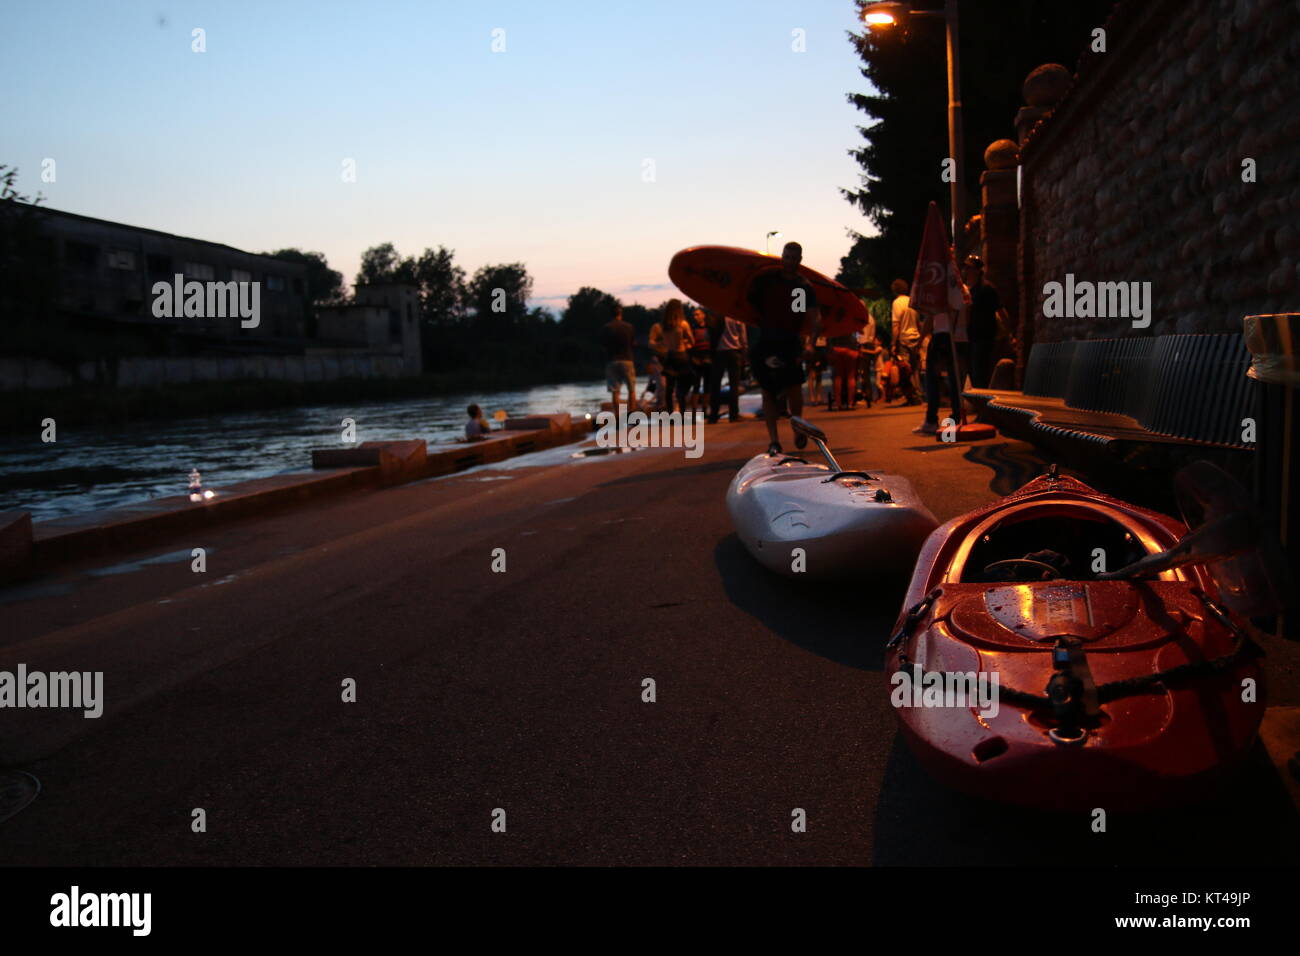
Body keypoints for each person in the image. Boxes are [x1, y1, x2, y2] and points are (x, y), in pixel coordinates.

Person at [746, 241, 821, 454]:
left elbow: (809, 317)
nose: (789, 261)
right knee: (768, 391)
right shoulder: (767, 280)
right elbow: (747, 305)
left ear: (800, 260)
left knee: (794, 389)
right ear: (781, 257)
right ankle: (774, 440)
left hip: (790, 342)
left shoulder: (802, 286)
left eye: (793, 258)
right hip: (766, 341)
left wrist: (810, 344)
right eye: (786, 257)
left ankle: (797, 428)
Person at [961, 255, 1008, 389]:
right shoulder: (966, 289)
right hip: (969, 336)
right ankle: (979, 403)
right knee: (971, 370)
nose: (966, 271)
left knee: (979, 371)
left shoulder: (986, 289)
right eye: (966, 268)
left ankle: (982, 404)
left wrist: (1008, 334)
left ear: (977, 270)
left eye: (969, 268)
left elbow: (1001, 311)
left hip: (983, 336)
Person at [650, 299, 693, 413]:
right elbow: (691, 341)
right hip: (681, 355)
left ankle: (670, 415)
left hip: (669, 356)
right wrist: (686, 343)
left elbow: (657, 341)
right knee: (682, 387)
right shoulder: (683, 324)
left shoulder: (663, 326)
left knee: (669, 388)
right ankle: (682, 414)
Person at [709, 314, 748, 423]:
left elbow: (709, 335)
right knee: (734, 385)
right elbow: (743, 336)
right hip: (734, 352)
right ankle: (733, 414)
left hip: (719, 352)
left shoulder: (716, 316)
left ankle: (713, 415)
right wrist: (745, 351)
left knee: (715, 385)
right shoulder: (737, 317)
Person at [890, 278, 923, 405]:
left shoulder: (897, 303)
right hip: (915, 337)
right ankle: (917, 395)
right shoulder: (912, 300)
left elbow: (896, 325)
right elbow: (918, 321)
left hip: (903, 339)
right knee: (915, 369)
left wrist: (893, 343)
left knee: (904, 369)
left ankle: (911, 397)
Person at [600, 303, 637, 411]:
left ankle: (617, 417)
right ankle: (633, 417)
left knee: (615, 391)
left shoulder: (605, 328)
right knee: (631, 390)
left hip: (611, 361)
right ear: (620, 314)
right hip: (627, 360)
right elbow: (633, 343)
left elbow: (603, 346)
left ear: (610, 314)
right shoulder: (629, 327)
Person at [687, 307, 714, 414]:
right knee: (696, 385)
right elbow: (691, 344)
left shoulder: (710, 328)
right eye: (694, 315)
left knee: (707, 385)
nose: (695, 317)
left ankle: (705, 409)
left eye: (698, 314)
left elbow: (713, 343)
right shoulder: (692, 328)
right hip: (697, 360)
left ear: (703, 315)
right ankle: (694, 411)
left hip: (708, 358)